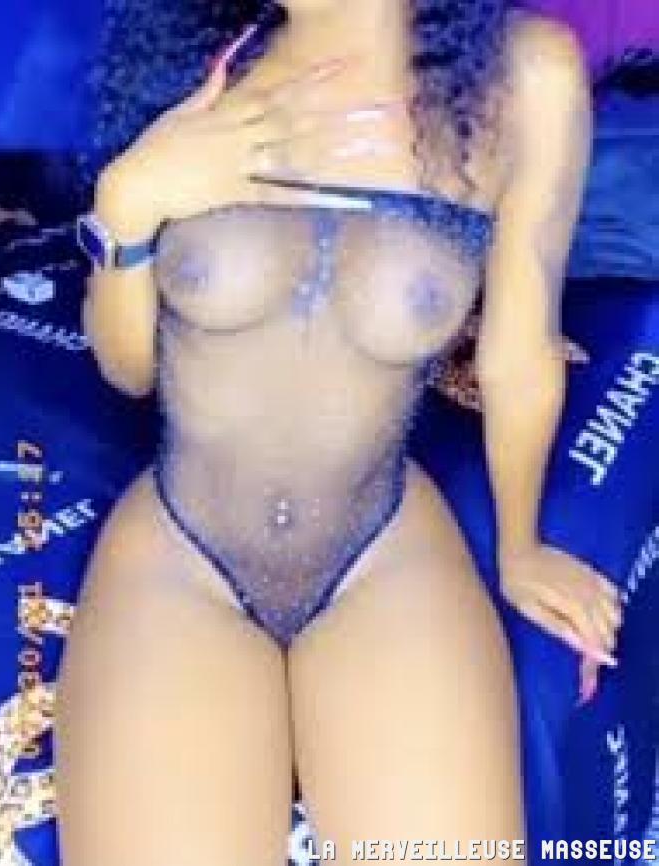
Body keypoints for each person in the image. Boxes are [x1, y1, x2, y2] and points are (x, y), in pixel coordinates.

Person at [53, 1, 623, 863]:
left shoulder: (526, 76)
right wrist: (128, 206)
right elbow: (129, 370)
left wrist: (520, 549)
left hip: (380, 547)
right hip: (180, 550)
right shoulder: (206, 63)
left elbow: (518, 354)